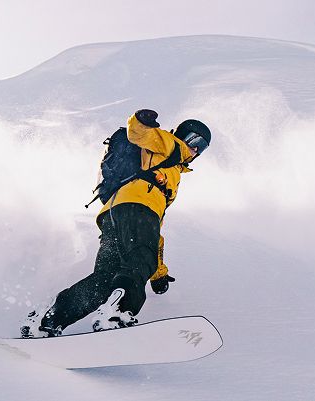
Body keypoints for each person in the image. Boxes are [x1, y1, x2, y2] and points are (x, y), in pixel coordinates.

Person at [21, 109, 211, 337]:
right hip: (137, 209)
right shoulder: (172, 146)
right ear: (183, 135)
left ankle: (47, 319)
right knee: (139, 262)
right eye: (195, 141)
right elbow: (138, 133)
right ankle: (118, 313)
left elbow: (153, 234)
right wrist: (142, 120)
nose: (196, 150)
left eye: (203, 147)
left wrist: (159, 274)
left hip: (115, 214)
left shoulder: (170, 166)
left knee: (105, 279)